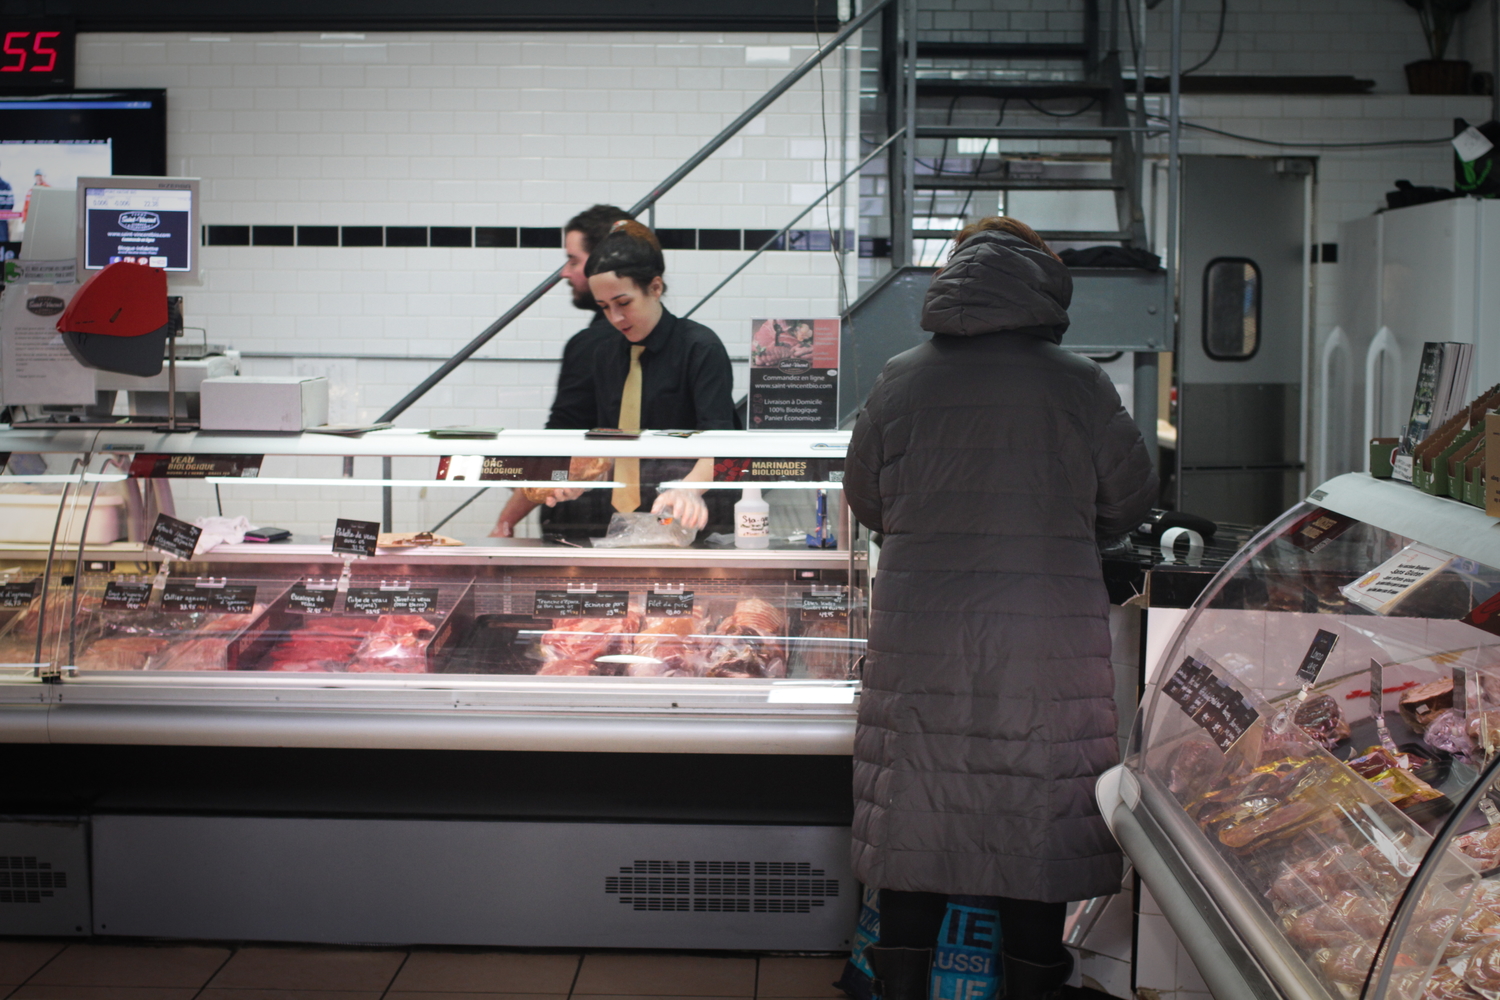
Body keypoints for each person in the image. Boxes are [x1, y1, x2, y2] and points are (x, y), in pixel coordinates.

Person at [842, 217, 1157, 1000]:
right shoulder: (1080, 383)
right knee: (1035, 827)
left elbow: (868, 499)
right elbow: (1129, 502)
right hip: (1045, 644)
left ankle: (900, 988)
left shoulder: (899, 377)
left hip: (923, 638)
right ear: (1047, 287)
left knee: (918, 816)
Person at [535, 220, 735, 533]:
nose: (615, 318)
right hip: (620, 523)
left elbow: (723, 444)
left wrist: (689, 490)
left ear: (655, 288)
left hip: (690, 521)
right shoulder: (604, 354)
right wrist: (581, 482)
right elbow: (612, 446)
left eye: (624, 303)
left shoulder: (700, 347)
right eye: (604, 307)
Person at [491, 204, 632, 537]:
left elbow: (559, 446)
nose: (564, 273)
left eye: (573, 261)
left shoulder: (591, 345)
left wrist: (505, 522)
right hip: (651, 527)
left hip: (584, 526)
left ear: (602, 264)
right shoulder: (684, 342)